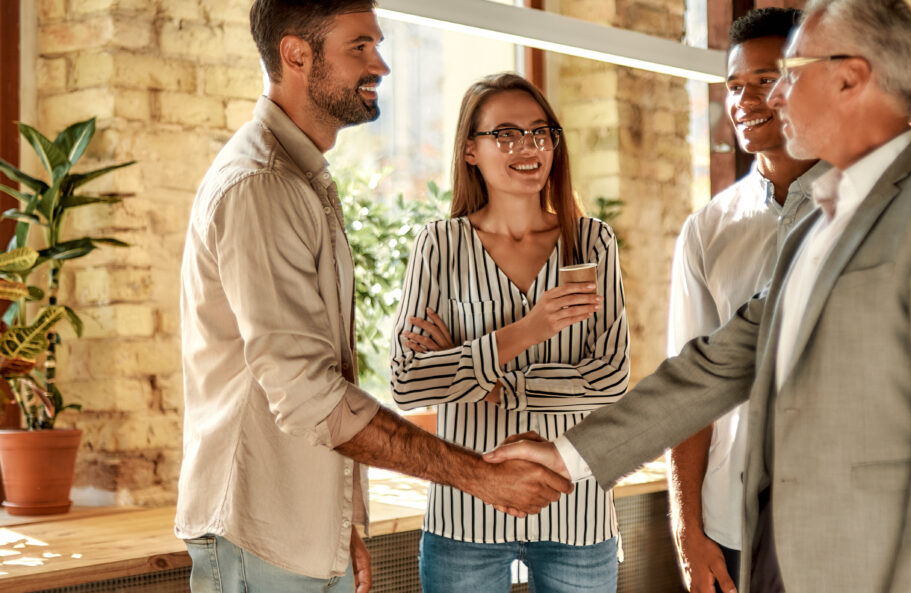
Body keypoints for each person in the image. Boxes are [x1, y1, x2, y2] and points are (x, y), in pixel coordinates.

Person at [487, 1, 911, 591]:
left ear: (850, 81)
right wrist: (572, 456)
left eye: (788, 76)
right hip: (774, 537)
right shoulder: (813, 224)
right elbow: (718, 364)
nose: (767, 99)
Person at [176, 4, 570, 593]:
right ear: (295, 54)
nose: (380, 63)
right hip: (256, 539)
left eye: (376, 45)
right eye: (359, 47)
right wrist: (479, 478)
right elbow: (308, 392)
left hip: (297, 534)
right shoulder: (262, 185)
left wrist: (336, 523)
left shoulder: (303, 176)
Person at [389, 72, 630, 593]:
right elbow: (407, 383)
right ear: (471, 150)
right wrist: (530, 329)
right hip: (465, 516)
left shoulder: (591, 242)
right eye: (506, 134)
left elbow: (610, 380)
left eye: (540, 132)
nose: (528, 147)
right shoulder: (440, 244)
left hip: (577, 507)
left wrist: (486, 377)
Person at [666, 9, 827, 593]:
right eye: (735, 86)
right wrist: (688, 530)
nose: (743, 100)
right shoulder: (708, 230)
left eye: (764, 80)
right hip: (733, 528)